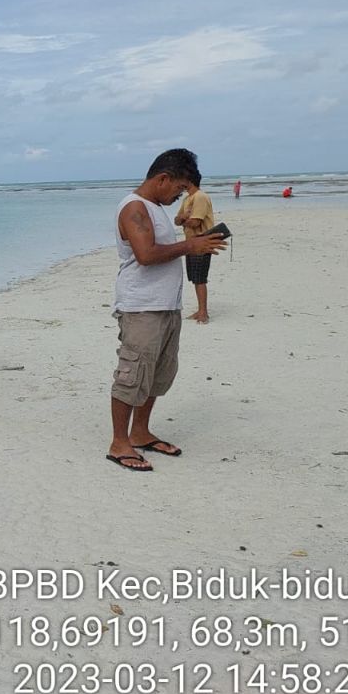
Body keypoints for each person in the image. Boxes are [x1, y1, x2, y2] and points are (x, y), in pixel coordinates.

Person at [108, 149, 226, 472]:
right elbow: (145, 254)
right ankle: (120, 442)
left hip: (166, 305)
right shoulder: (133, 208)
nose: (180, 195)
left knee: (160, 374)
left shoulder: (155, 208)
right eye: (179, 188)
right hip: (140, 307)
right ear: (163, 179)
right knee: (132, 375)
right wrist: (191, 246)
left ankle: (141, 432)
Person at [174, 171, 216, 324]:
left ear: (189, 180)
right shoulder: (187, 199)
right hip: (190, 242)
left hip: (202, 241)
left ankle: (203, 312)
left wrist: (184, 219)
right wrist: (183, 218)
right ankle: (200, 310)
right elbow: (176, 220)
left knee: (200, 278)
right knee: (194, 277)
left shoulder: (200, 197)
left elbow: (195, 222)